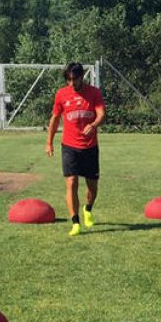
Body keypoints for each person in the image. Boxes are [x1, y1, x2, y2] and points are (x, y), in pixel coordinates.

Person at [45, 62, 106, 236]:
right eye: (69, 79)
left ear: (82, 77)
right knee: (71, 182)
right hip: (69, 146)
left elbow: (101, 113)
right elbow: (55, 119)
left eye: (75, 79)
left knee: (92, 187)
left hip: (90, 147)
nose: (72, 83)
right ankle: (75, 222)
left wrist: (94, 125)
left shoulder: (93, 93)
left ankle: (88, 209)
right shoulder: (61, 94)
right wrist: (49, 142)